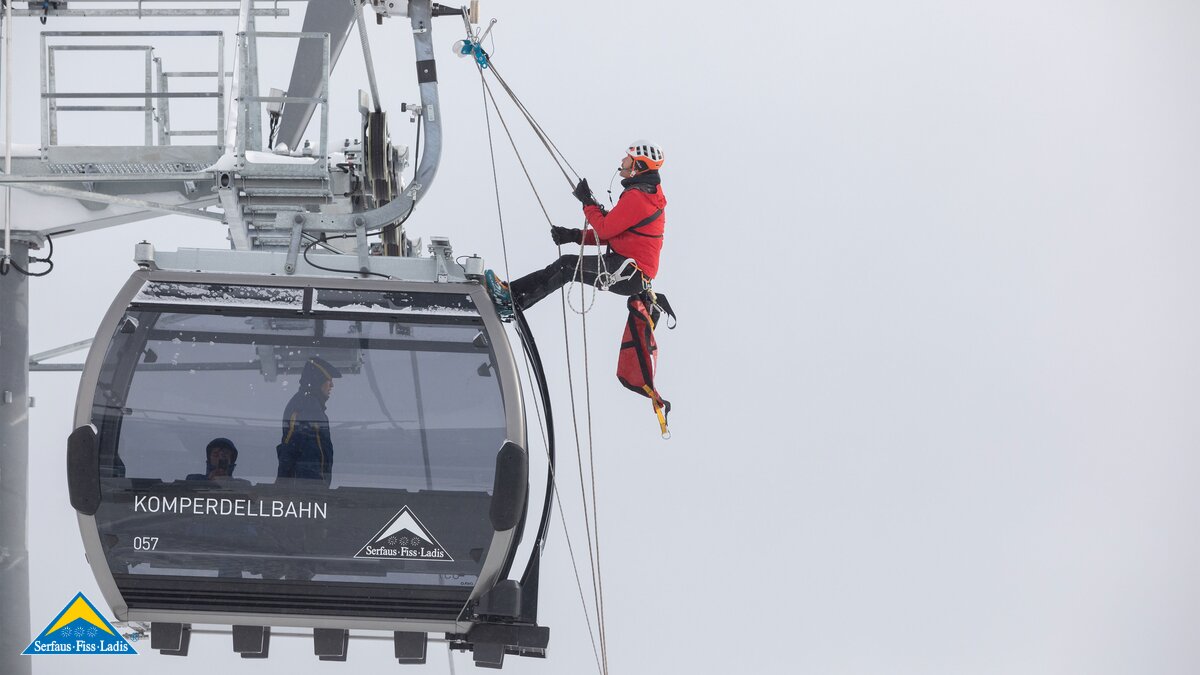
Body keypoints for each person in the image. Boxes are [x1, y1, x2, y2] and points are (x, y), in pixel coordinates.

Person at [489, 140, 667, 310]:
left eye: (628, 158)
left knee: (566, 266)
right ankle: (510, 294)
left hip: (629, 272)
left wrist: (587, 203)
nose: (622, 160)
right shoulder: (643, 195)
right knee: (565, 265)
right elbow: (612, 231)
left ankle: (511, 301)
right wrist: (573, 235)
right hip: (630, 271)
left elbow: (604, 230)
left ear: (639, 166)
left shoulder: (638, 198)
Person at [277, 356, 340, 486]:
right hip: (304, 492)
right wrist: (282, 486)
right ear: (318, 381)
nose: (332, 385)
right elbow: (288, 450)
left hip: (312, 491)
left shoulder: (312, 407)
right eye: (329, 380)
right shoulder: (304, 406)